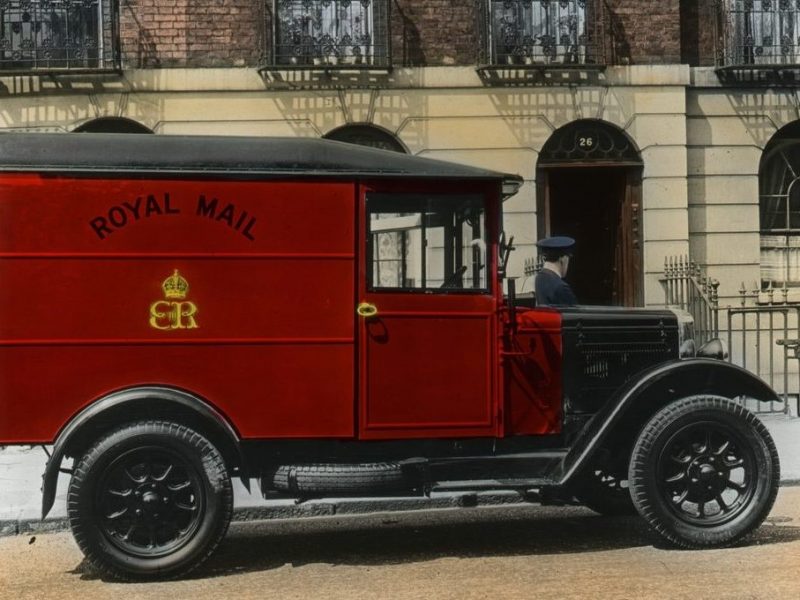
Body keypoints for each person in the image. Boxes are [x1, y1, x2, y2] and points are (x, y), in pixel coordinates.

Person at [534, 236, 577, 306]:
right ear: (562, 259)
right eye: (568, 258)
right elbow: (576, 314)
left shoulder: (539, 277)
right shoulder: (561, 287)